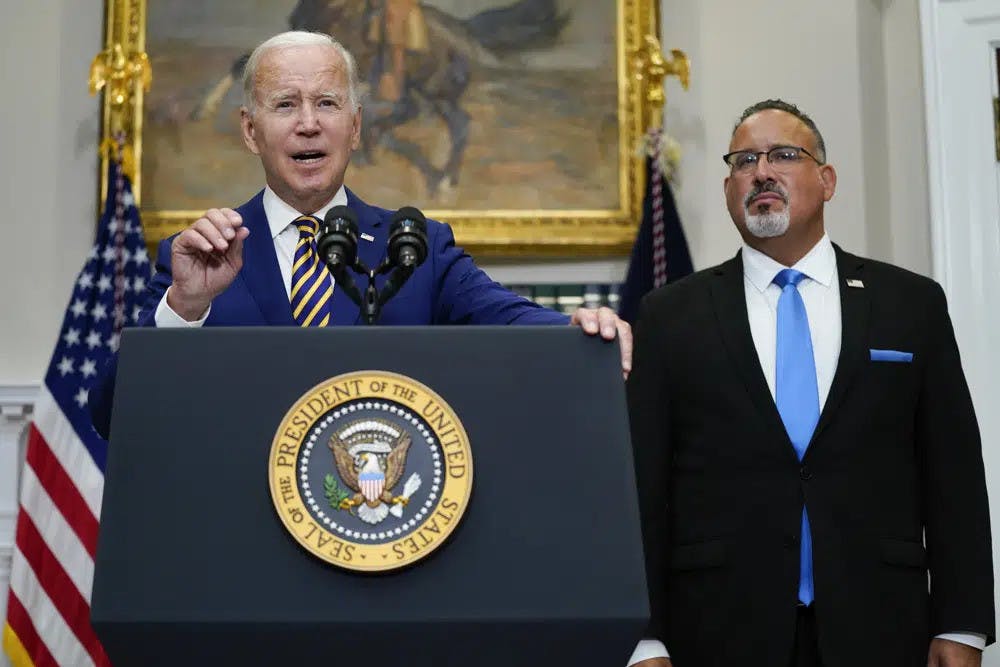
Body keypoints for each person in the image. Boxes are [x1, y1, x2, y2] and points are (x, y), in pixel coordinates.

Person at [89, 30, 630, 437]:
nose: (308, 123)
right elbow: (112, 414)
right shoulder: (200, 257)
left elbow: (511, 320)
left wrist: (577, 328)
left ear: (356, 125)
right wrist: (184, 307)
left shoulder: (417, 246)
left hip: (383, 536)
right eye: (285, 104)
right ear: (250, 131)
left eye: (327, 103)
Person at [626, 99, 994, 667]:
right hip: (718, 629)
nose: (762, 171)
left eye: (783, 155)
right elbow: (643, 486)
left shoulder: (910, 304)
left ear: (827, 181)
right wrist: (644, 638)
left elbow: (953, 470)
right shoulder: (670, 316)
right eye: (745, 160)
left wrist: (963, 623)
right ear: (729, 189)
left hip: (881, 624)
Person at [367, 0, 429, 102]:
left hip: (403, 14)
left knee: (398, 52)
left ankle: (395, 92)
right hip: (389, 12)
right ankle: (386, 90)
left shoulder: (409, 9)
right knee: (385, 51)